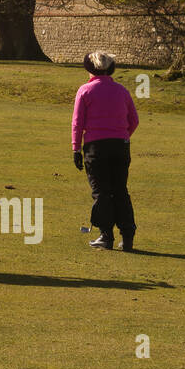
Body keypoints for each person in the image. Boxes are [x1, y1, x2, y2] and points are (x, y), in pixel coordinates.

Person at [71, 51, 139, 251]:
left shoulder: (85, 91)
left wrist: (76, 149)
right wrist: (122, 136)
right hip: (120, 146)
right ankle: (127, 236)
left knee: (101, 192)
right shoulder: (121, 91)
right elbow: (134, 120)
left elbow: (78, 123)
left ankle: (106, 235)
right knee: (120, 191)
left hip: (96, 147)